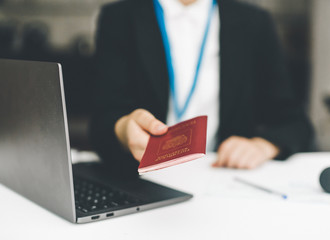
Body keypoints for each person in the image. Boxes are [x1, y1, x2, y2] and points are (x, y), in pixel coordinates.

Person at [90, 0, 313, 176]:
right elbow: (101, 120)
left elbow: (295, 122)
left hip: (223, 177)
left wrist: (263, 145)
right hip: (143, 180)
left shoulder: (254, 22)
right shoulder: (119, 18)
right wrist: (123, 128)